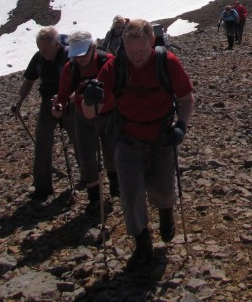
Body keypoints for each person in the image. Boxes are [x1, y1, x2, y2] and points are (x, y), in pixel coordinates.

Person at [82, 18, 193, 269]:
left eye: (142, 50)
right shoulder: (115, 66)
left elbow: (186, 98)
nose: (137, 57)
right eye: (132, 51)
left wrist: (181, 126)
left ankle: (166, 212)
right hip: (128, 139)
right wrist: (89, 99)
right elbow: (90, 113)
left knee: (163, 189)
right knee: (131, 195)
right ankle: (142, 242)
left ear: (152, 42)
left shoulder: (167, 62)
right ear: (123, 45)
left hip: (162, 137)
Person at [52, 30, 117, 215]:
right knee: (86, 157)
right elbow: (63, 94)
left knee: (112, 153)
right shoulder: (71, 68)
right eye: (76, 56)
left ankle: (116, 187)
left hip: (110, 114)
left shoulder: (109, 62)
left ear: (92, 48)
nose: (79, 59)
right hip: (83, 117)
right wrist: (58, 105)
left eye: (83, 55)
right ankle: (95, 199)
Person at [11, 26, 78, 201]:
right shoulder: (39, 58)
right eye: (40, 49)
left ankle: (88, 177)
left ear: (57, 44)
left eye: (46, 49)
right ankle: (42, 187)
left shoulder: (69, 56)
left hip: (69, 104)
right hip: (48, 103)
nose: (43, 52)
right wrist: (19, 101)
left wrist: (69, 100)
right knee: (42, 143)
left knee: (78, 140)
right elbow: (29, 81)